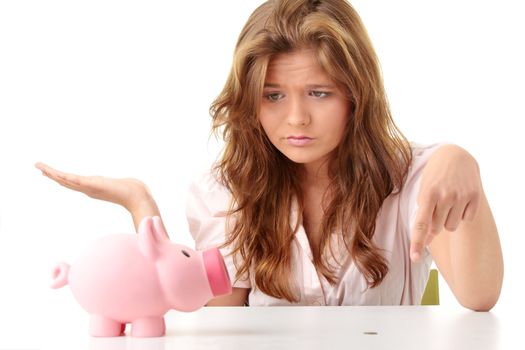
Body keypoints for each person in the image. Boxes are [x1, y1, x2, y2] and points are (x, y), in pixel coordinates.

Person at [36, 0, 503, 310]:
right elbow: (220, 325)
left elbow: (481, 297)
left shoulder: (416, 177)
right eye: (273, 96)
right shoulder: (223, 190)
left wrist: (464, 162)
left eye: (319, 93)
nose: (296, 119)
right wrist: (142, 207)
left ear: (357, 97)